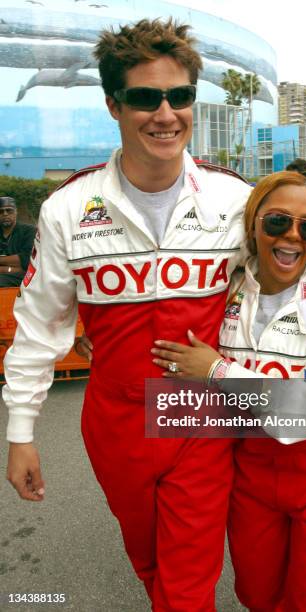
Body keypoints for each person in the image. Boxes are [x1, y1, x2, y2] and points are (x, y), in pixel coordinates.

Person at [3, 19, 252, 611]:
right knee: (149, 562)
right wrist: (20, 434)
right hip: (114, 425)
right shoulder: (67, 208)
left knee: (188, 581)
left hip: (201, 419)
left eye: (180, 96)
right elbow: (39, 329)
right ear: (113, 104)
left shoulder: (236, 200)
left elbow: (296, 278)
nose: (166, 114)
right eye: (145, 97)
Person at [152, 171, 306, 612]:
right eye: (277, 221)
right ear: (253, 223)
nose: (293, 235)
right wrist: (94, 336)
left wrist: (218, 370)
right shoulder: (225, 286)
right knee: (256, 595)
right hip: (251, 473)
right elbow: (161, 320)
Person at [0, 196, 36, 287]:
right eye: (1, 211)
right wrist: (10, 267)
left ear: (16, 212)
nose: (5, 214)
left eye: (9, 210)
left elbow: (26, 260)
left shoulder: (29, 231)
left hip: (25, 278)